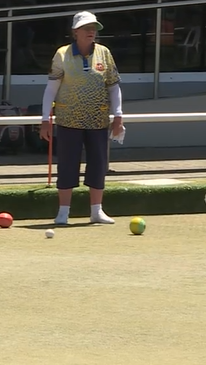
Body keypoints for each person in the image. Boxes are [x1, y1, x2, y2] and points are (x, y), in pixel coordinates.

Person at [40, 11, 124, 225]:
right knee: (67, 165)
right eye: (86, 28)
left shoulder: (104, 53)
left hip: (98, 120)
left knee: (98, 164)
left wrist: (118, 116)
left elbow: (114, 87)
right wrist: (44, 119)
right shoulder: (62, 54)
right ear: (75, 32)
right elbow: (51, 89)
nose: (91, 32)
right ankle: (63, 212)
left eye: (94, 28)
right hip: (69, 120)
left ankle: (97, 211)